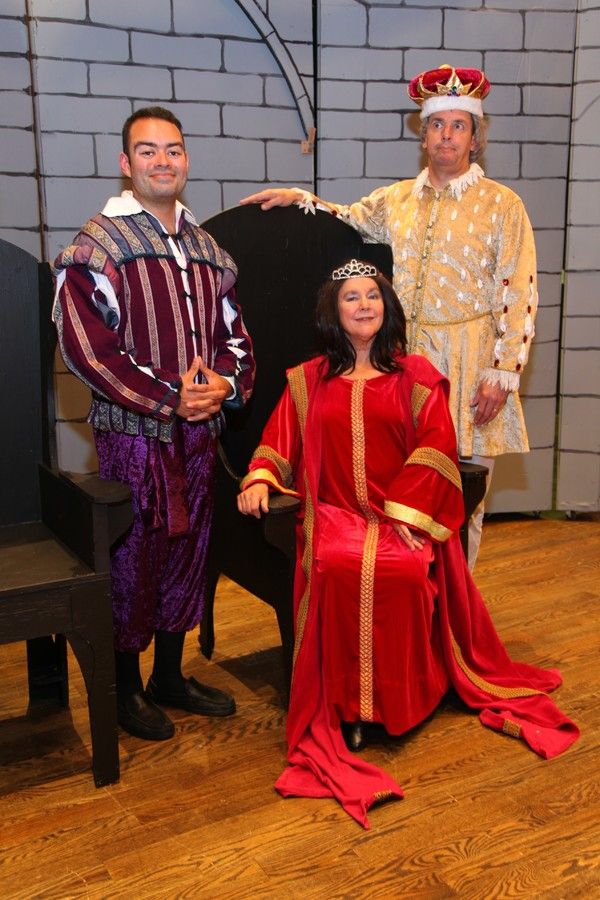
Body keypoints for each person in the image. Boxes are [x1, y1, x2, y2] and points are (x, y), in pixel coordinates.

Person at [237, 259, 577, 829]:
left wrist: (407, 516)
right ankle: (346, 707)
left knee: (395, 570)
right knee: (341, 566)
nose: (364, 305)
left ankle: (406, 701)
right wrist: (258, 478)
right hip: (335, 516)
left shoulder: (417, 376)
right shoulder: (307, 380)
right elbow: (278, 442)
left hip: (402, 519)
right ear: (334, 311)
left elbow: (436, 448)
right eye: (352, 297)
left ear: (387, 308)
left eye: (373, 295)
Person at [240, 64, 538, 568]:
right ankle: (404, 590)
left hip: (471, 366)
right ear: (423, 136)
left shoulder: (502, 205)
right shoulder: (397, 198)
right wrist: (300, 198)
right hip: (402, 363)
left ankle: (452, 608)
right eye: (437, 125)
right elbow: (347, 215)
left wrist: (502, 374)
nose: (447, 135)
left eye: (458, 125)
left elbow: (520, 291)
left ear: (475, 137)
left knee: (463, 493)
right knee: (403, 482)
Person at [53, 107, 255, 742]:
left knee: (189, 551)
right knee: (134, 558)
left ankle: (170, 673)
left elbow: (235, 336)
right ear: (125, 163)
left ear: (186, 161)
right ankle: (125, 687)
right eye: (147, 151)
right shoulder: (98, 244)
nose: (162, 161)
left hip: (200, 436)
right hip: (132, 438)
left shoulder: (208, 251)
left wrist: (224, 384)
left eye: (173, 150)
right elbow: (88, 348)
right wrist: (170, 398)